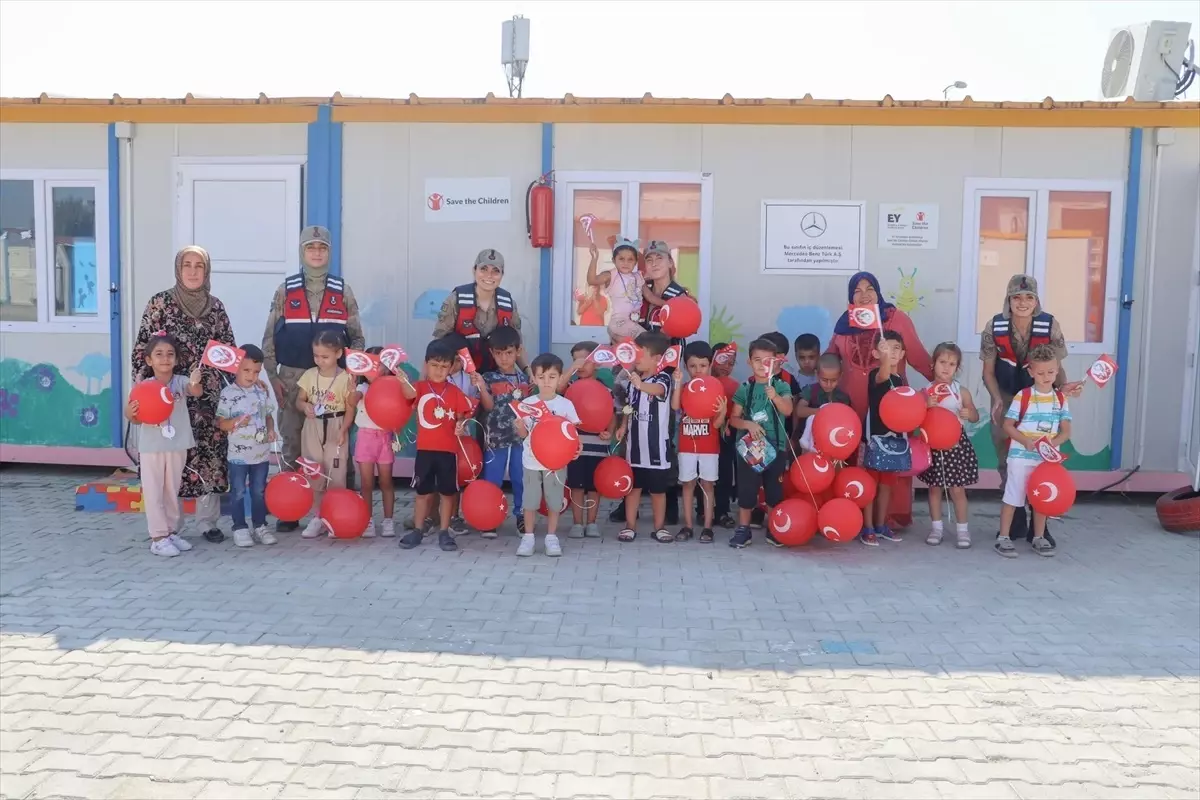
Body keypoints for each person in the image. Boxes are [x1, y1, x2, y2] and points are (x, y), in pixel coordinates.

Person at [263, 226, 365, 532]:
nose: (316, 252)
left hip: (335, 381)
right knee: (294, 442)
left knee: (338, 445)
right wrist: (273, 378)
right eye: (311, 247)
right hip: (295, 378)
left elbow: (357, 338)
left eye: (322, 247)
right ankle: (292, 508)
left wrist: (353, 378)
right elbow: (268, 338)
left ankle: (341, 506)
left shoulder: (342, 290)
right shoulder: (285, 290)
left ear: (329, 252)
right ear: (302, 252)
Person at [132, 245, 236, 544]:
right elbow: (142, 349)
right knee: (171, 462)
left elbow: (228, 350)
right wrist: (143, 391)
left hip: (207, 397)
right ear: (178, 269)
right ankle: (169, 527)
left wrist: (235, 387)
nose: (192, 271)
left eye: (199, 266)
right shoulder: (160, 303)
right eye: (187, 265)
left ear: (207, 271)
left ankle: (208, 522)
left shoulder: (216, 307)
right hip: (170, 397)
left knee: (209, 456)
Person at [980, 274, 1082, 548]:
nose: (1022, 302)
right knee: (1006, 452)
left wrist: (1061, 392)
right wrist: (997, 400)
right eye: (1017, 297)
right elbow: (988, 371)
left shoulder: (1049, 325)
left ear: (1036, 300)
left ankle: (1040, 523)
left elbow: (1055, 366)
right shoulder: (994, 325)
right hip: (1005, 393)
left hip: (1040, 395)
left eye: (1028, 297)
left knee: (1044, 457)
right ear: (1008, 300)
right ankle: (1014, 517)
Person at [825, 271, 933, 529]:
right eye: (857, 290)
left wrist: (940, 381)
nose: (864, 295)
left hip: (890, 406)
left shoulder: (895, 319)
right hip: (852, 406)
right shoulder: (845, 323)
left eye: (869, 288)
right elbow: (831, 358)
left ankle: (889, 518)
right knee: (857, 462)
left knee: (890, 462)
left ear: (879, 291)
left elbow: (917, 355)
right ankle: (855, 519)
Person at [126, 333, 204, 557]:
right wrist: (130, 414)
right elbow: (132, 414)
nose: (165, 359)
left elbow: (195, 391)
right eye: (159, 354)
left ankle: (170, 532)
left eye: (170, 354)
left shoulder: (180, 382)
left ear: (177, 360)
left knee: (171, 491)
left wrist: (196, 381)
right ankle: (158, 537)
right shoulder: (143, 387)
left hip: (177, 444)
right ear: (149, 360)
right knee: (153, 492)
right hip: (152, 447)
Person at [996, 344, 1072, 558]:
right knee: (1013, 496)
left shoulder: (1060, 399)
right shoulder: (1024, 396)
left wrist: (1052, 445)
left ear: (1057, 369)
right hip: (1021, 457)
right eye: (1040, 372)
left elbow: (1066, 431)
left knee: (1041, 498)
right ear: (1030, 372)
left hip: (1046, 462)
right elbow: (1008, 425)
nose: (1046, 376)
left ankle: (1038, 537)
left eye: (1050, 371)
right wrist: (1026, 441)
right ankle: (1003, 537)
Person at [398, 340, 473, 553]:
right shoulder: (420, 387)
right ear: (426, 364)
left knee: (448, 492)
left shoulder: (455, 392)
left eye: (444, 366)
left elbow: (464, 416)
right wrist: (403, 381)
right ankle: (419, 529)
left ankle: (444, 531)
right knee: (423, 492)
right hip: (425, 451)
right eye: (434, 365)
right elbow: (407, 394)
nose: (439, 370)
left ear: (451, 368)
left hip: (448, 451)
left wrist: (461, 425)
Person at [727, 338, 794, 548]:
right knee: (747, 490)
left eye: (767, 361)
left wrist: (775, 397)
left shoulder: (781, 386)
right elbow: (733, 419)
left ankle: (774, 529)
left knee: (774, 490)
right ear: (749, 362)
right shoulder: (745, 388)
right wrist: (748, 424)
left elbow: (788, 410)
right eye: (757, 360)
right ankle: (743, 530)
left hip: (776, 446)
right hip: (749, 448)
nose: (762, 365)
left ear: (776, 363)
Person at [514, 353, 581, 557]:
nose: (546, 381)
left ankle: (552, 537)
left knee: (554, 500)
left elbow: (573, 434)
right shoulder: (527, 403)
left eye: (552, 377)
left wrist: (577, 448)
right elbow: (524, 435)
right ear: (533, 378)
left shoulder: (564, 405)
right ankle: (528, 537)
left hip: (556, 462)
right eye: (541, 376)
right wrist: (519, 427)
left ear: (560, 378)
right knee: (530, 500)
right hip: (531, 461)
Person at [295, 331, 358, 539]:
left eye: (325, 356)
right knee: (314, 470)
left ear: (338, 353)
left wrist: (343, 430)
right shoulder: (309, 375)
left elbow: (350, 408)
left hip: (336, 424)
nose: (320, 360)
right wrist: (305, 407)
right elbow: (299, 400)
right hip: (313, 425)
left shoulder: (346, 378)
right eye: (316, 356)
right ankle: (317, 517)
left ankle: (334, 516)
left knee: (336, 472)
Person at [216, 344, 279, 548]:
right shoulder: (228, 393)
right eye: (246, 370)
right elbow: (221, 423)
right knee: (238, 491)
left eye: (256, 371)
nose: (251, 375)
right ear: (236, 368)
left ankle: (260, 525)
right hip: (238, 456)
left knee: (259, 491)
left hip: (261, 454)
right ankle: (240, 527)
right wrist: (235, 423)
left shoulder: (261, 390)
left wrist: (271, 429)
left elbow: (268, 415)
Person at [615, 331, 675, 543]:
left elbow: (658, 390)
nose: (636, 358)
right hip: (635, 448)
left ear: (657, 359)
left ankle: (659, 528)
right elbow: (629, 407)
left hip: (656, 447)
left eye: (641, 354)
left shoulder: (663, 378)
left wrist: (640, 384)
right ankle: (630, 526)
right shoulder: (633, 382)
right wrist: (623, 425)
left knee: (658, 491)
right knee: (633, 489)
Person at [920, 343, 980, 549]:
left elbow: (974, 414)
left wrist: (968, 413)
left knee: (957, 490)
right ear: (933, 364)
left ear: (957, 368)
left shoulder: (960, 391)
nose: (946, 368)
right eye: (942, 362)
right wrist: (925, 406)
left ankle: (962, 530)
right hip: (934, 448)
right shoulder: (926, 392)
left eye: (952, 364)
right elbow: (916, 419)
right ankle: (936, 528)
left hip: (955, 447)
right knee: (934, 489)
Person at [433, 249, 524, 374]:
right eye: (483, 269)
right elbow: (438, 343)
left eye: (495, 271)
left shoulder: (508, 304)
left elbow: (517, 344)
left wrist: (527, 371)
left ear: (502, 275)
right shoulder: (456, 300)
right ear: (474, 270)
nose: (489, 275)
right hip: (461, 376)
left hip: (497, 376)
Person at [671, 341, 727, 543]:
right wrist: (677, 383)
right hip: (687, 445)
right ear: (686, 367)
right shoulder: (685, 387)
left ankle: (708, 527)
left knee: (707, 485)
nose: (698, 370)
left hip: (709, 447)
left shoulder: (716, 388)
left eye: (703, 365)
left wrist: (722, 411)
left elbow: (718, 424)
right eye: (693, 366)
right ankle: (687, 525)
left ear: (710, 365)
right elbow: (676, 406)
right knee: (687, 484)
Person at [478, 327, 529, 537]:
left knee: (520, 478)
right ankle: (489, 517)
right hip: (495, 439)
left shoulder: (526, 380)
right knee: (492, 479)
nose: (504, 358)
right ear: (492, 353)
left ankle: (521, 517)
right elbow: (488, 407)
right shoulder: (488, 377)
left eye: (509, 352)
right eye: (498, 353)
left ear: (518, 351)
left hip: (521, 439)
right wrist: (481, 387)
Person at [861, 331, 910, 546]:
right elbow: (883, 376)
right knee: (870, 486)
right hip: (875, 440)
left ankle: (881, 525)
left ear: (902, 354)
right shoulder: (875, 375)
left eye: (895, 348)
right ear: (876, 352)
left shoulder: (901, 381)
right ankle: (867, 527)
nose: (891, 352)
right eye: (885, 348)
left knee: (887, 486)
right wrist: (883, 361)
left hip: (895, 442)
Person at [564, 342, 615, 539]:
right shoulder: (570, 386)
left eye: (585, 361)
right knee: (576, 484)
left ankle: (592, 523)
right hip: (575, 444)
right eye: (576, 361)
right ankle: (577, 524)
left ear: (597, 363)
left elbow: (611, 413)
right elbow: (558, 388)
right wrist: (570, 371)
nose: (581, 366)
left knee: (595, 485)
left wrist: (609, 431)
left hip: (598, 443)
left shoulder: (605, 389)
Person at [352, 347, 398, 538]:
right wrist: (351, 384)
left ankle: (388, 520)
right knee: (366, 483)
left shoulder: (393, 387)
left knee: (386, 482)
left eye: (381, 366)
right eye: (371, 366)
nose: (376, 371)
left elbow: (405, 402)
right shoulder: (362, 388)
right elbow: (352, 400)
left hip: (385, 438)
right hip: (365, 439)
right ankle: (367, 520)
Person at [586, 237, 645, 343]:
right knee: (646, 340)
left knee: (631, 353)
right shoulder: (612, 275)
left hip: (633, 323)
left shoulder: (638, 277)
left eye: (630, 259)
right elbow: (592, 280)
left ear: (636, 262)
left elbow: (649, 296)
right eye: (621, 259)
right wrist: (594, 258)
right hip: (619, 323)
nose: (626, 263)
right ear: (614, 260)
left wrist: (666, 303)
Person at [795, 353, 852, 451]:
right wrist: (823, 411)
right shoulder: (811, 390)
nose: (829, 384)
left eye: (834, 380)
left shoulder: (843, 398)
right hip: (809, 443)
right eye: (824, 380)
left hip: (832, 442)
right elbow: (799, 410)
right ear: (817, 375)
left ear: (840, 376)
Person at [710, 341, 738, 528]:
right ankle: (702, 511)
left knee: (724, 472)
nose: (726, 367)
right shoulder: (699, 385)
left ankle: (722, 511)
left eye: (731, 363)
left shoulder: (735, 386)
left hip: (727, 435)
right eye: (722, 361)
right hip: (702, 434)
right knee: (703, 475)